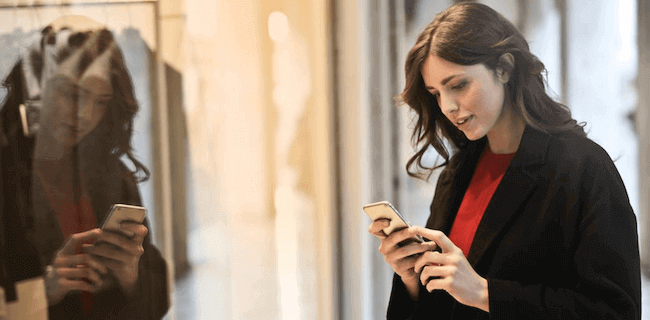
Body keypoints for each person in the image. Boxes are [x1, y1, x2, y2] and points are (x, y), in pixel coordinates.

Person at [368, 3, 641, 319]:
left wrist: (486, 294)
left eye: (458, 85)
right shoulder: (458, 172)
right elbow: (444, 303)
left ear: (505, 67)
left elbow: (616, 312)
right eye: (436, 92)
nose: (448, 106)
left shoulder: (585, 169)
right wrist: (411, 278)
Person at [0, 17, 169, 319]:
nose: (84, 115)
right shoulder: (6, 173)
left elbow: (158, 301)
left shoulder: (114, 175)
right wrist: (45, 290)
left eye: (100, 100)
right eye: (71, 93)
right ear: (37, 87)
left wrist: (131, 277)